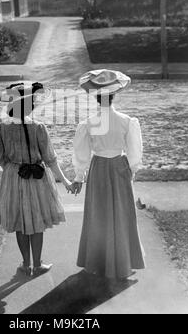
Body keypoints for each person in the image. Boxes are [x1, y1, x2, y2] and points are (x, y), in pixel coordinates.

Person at [72, 70, 145, 280]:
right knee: (122, 213)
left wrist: (79, 177)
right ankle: (121, 262)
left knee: (98, 214)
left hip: (98, 169)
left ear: (96, 97)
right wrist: (132, 170)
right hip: (119, 167)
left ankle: (98, 261)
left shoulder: (88, 123)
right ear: (114, 95)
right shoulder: (127, 120)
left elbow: (81, 153)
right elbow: (134, 152)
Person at [0, 82, 72, 277]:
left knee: (21, 222)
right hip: (36, 179)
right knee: (36, 221)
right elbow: (50, 158)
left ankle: (25, 264)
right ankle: (37, 264)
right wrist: (65, 181)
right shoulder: (38, 127)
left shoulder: (3, 128)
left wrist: (13, 170)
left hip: (13, 177)